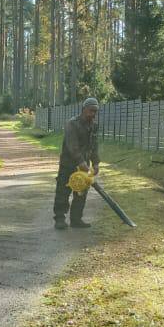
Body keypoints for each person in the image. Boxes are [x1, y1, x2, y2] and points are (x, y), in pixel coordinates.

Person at [54, 97, 100, 230]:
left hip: (83, 166)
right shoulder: (72, 124)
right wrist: (80, 161)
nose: (93, 114)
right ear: (84, 109)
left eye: (95, 112)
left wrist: (96, 163)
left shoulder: (94, 126)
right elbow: (72, 146)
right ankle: (60, 219)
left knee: (81, 193)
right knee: (63, 191)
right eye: (91, 111)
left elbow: (94, 146)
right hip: (68, 164)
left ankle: (76, 219)